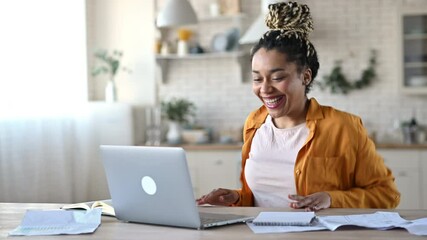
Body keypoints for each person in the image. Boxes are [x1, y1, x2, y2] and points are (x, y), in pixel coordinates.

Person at [196, 1, 400, 211]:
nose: (265, 89)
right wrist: (236, 198)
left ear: (305, 76)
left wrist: (331, 199)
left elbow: (386, 195)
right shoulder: (254, 124)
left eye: (277, 77)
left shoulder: (344, 127)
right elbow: (261, 198)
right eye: (257, 79)